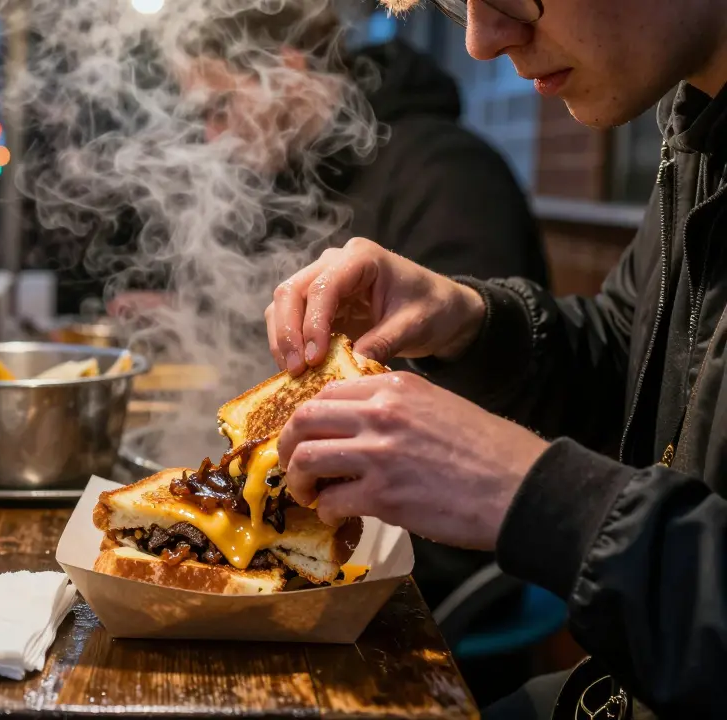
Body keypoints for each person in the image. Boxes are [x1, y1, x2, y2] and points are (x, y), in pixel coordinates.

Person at [265, 0, 727, 716]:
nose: (481, 41)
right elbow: (630, 362)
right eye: (459, 4)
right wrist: (469, 323)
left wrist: (529, 492)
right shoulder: (702, 126)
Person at [51, 2, 550, 615]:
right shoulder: (300, 173)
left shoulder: (449, 173)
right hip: (329, 507)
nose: (211, 136)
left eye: (218, 109)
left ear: (281, 72)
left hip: (435, 573)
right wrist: (193, 316)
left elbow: (495, 402)